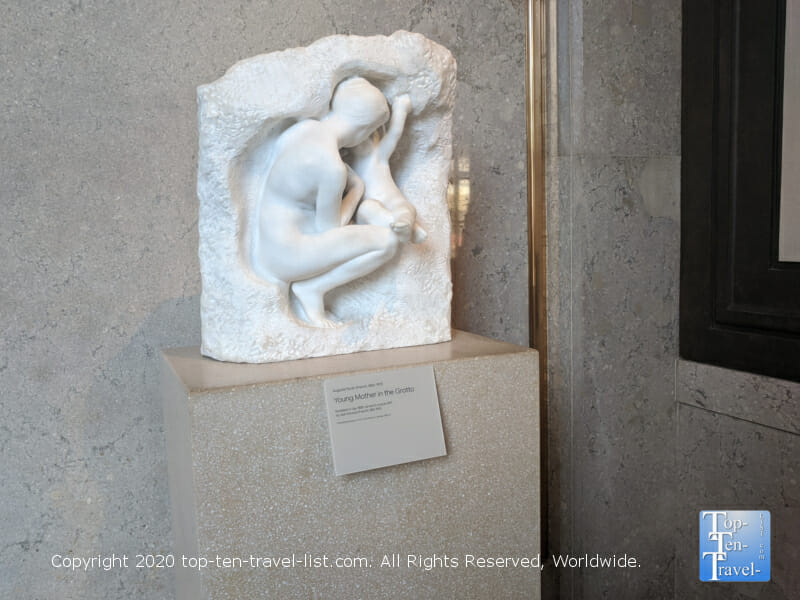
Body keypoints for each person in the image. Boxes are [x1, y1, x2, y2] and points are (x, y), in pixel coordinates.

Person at [251, 77, 400, 328]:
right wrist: (356, 190)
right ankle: (313, 289)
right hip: (286, 256)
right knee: (387, 242)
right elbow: (331, 230)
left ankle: (310, 289)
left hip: (268, 244)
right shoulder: (331, 168)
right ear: (363, 130)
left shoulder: (305, 129)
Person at [350, 93, 427, 244]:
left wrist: (401, 108)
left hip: (391, 199)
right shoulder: (348, 164)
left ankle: (406, 224)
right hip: (369, 209)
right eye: (358, 138)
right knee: (367, 209)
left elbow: (394, 133)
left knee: (404, 208)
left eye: (370, 136)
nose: (365, 140)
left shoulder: (379, 153)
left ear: (378, 136)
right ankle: (405, 229)